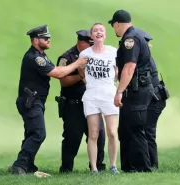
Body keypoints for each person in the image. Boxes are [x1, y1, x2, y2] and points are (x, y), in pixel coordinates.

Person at [8, 24, 87, 175]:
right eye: (45, 38)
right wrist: (77, 63)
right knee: (38, 133)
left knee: (32, 133)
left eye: (49, 37)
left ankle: (28, 165)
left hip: (34, 100)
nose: (49, 40)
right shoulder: (35, 58)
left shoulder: (41, 56)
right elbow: (58, 73)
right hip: (31, 101)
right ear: (35, 40)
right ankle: (20, 165)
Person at [108, 10, 165, 173]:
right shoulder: (136, 35)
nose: (114, 30)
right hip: (134, 89)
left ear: (117, 24)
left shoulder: (130, 39)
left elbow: (130, 67)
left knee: (135, 128)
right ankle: (128, 166)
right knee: (125, 129)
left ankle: (142, 167)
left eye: (113, 26)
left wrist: (119, 91)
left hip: (137, 90)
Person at [56, 30, 106, 173]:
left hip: (93, 103)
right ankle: (66, 169)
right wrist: (81, 76)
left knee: (99, 136)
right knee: (72, 137)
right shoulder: (67, 57)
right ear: (81, 42)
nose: (92, 46)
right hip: (74, 105)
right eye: (90, 44)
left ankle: (98, 167)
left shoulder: (95, 55)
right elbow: (63, 81)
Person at [78, 23, 120, 174]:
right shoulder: (85, 54)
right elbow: (81, 73)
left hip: (109, 93)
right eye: (95, 31)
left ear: (105, 35)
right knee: (93, 133)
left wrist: (113, 81)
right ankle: (94, 168)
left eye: (101, 30)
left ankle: (113, 165)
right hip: (91, 95)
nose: (98, 33)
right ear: (91, 36)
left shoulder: (113, 52)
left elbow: (117, 72)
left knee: (112, 132)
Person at [135, 28, 167, 169]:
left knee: (148, 130)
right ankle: (148, 163)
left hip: (154, 100)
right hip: (155, 98)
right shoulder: (146, 56)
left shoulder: (143, 58)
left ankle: (152, 165)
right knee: (146, 130)